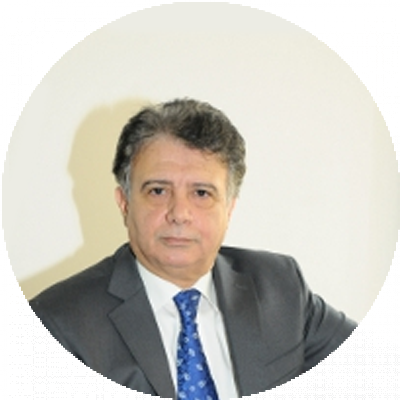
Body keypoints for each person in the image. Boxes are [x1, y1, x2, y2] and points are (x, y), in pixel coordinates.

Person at [29, 98, 357, 399]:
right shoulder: (57, 324)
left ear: (229, 208)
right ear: (124, 202)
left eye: (201, 193)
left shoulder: (279, 287)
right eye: (158, 191)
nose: (179, 213)